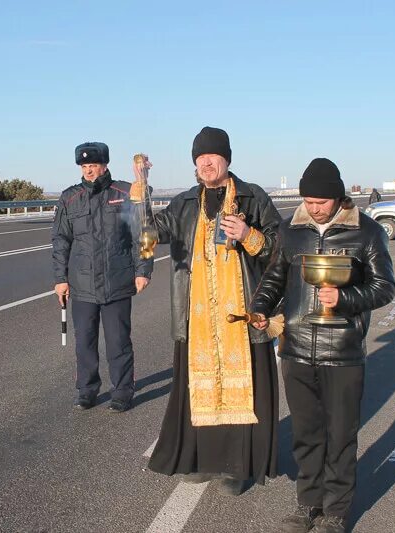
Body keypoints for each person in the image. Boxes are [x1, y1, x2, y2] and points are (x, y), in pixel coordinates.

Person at [250, 158, 395, 533]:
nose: (313, 209)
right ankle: (308, 503)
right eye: (308, 201)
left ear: (337, 196)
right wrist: (260, 308)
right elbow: (274, 278)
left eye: (321, 202)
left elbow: (385, 288)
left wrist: (344, 299)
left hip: (343, 352)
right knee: (306, 433)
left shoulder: (366, 233)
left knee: (341, 435)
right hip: (295, 348)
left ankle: (336, 511)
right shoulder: (291, 230)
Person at [146, 126, 283, 495]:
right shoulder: (186, 203)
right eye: (199, 159)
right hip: (199, 320)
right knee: (198, 387)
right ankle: (202, 460)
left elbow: (281, 250)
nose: (206, 164)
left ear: (227, 159)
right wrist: (140, 190)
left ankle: (239, 467)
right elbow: (149, 233)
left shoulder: (253, 198)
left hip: (243, 317)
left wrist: (249, 235)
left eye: (212, 157)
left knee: (245, 391)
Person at [51, 142, 153, 413]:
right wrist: (60, 278)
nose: (89, 171)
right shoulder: (70, 198)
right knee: (84, 341)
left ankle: (122, 391)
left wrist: (143, 270)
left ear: (105, 165)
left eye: (93, 166)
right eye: (84, 167)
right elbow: (61, 240)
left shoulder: (123, 192)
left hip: (117, 282)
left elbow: (140, 231)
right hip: (82, 286)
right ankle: (87, 389)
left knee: (118, 341)